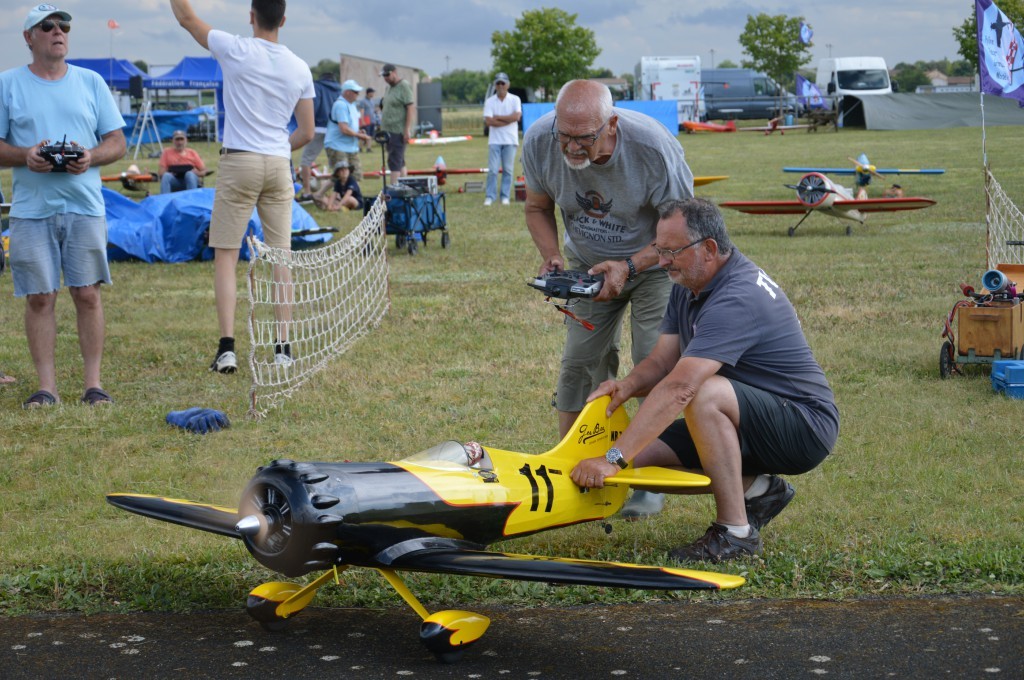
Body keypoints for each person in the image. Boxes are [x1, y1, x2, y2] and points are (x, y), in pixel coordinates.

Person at [569, 198, 839, 563]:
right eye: (659, 250)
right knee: (640, 458)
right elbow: (665, 359)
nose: (662, 261)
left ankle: (736, 533)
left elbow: (681, 386)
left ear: (708, 249)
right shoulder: (689, 281)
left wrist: (613, 459)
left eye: (670, 252)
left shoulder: (738, 297)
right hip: (748, 417)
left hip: (803, 426)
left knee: (701, 394)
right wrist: (626, 386)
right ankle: (759, 491)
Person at [521, 79, 694, 517]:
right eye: (565, 135)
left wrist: (629, 267)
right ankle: (566, 466)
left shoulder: (653, 150)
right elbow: (537, 206)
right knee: (580, 363)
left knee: (653, 359)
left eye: (584, 137)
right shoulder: (541, 140)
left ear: (611, 124)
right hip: (586, 267)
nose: (572, 147)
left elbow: (684, 233)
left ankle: (644, 474)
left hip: (656, 265)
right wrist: (553, 256)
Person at [169, 0, 314, 373]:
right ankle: (282, 350)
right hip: (279, 165)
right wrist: (280, 148)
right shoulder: (299, 66)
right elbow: (308, 131)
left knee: (227, 255)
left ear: (251, 16)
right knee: (281, 259)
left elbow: (186, 17)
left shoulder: (234, 47)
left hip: (239, 161)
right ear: (283, 19)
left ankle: (228, 349)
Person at [1, 3, 127, 408]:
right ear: (28, 37)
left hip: (85, 205)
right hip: (31, 210)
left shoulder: (90, 82)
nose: (59, 32)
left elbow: (117, 142)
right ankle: (46, 388)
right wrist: (27, 156)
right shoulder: (7, 84)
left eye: (64, 26)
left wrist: (89, 157)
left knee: (87, 294)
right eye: (48, 26)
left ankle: (94, 385)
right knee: (40, 297)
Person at [297, 71, 341, 203]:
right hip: (334, 130)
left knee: (306, 160)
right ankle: (337, 192)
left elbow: (313, 106)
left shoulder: (317, 86)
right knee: (337, 163)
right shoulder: (339, 90)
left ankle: (307, 193)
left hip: (318, 127)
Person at [482, 72, 521, 206]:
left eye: (502, 83)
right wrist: (507, 119)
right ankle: (490, 196)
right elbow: (488, 121)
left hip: (510, 140)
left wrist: (497, 117)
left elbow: (516, 117)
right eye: (498, 83)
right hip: (494, 140)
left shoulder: (515, 99)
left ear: (508, 85)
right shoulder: (489, 101)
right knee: (492, 170)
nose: (500, 86)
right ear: (495, 85)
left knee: (508, 170)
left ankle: (505, 196)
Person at [324, 79, 371, 182]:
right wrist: (361, 136)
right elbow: (344, 129)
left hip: (350, 147)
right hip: (337, 146)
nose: (358, 94)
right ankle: (340, 197)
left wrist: (358, 132)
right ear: (347, 92)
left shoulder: (352, 105)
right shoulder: (341, 105)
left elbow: (350, 126)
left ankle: (321, 194)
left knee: (356, 176)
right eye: (356, 92)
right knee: (342, 177)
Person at [379, 63, 414, 178]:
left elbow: (410, 107)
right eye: (384, 76)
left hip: (397, 130)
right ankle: (404, 186)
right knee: (399, 161)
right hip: (387, 130)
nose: (386, 78)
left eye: (387, 75)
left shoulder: (404, 86)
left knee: (394, 162)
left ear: (394, 72)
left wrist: (407, 129)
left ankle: (393, 190)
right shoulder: (388, 88)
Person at [158, 129, 207, 193]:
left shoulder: (192, 153)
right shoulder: (166, 152)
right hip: (175, 180)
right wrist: (170, 171)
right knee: (166, 176)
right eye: (177, 140)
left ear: (186, 140)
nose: (180, 142)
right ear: (173, 141)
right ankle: (164, 200)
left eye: (182, 139)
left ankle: (191, 200)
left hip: (191, 180)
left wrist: (197, 173)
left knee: (189, 174)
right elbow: (161, 173)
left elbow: (204, 170)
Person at [356, 87, 376, 153]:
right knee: (363, 135)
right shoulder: (363, 101)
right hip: (366, 120)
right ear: (368, 93)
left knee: (370, 135)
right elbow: (362, 111)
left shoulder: (372, 101)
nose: (373, 94)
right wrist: (362, 121)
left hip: (372, 120)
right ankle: (360, 148)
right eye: (372, 93)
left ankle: (368, 148)